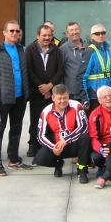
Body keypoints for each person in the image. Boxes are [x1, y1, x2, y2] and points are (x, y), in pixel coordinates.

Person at [0, 20, 33, 175]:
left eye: (17, 31)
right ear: (4, 33)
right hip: (3, 98)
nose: (14, 33)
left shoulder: (21, 49)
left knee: (16, 128)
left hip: (20, 97)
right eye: (11, 31)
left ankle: (13, 159)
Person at [35, 84, 91, 180]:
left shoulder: (76, 105)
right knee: (40, 158)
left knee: (85, 138)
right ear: (53, 98)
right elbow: (40, 136)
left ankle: (82, 170)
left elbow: (84, 127)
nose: (63, 101)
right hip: (57, 146)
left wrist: (66, 140)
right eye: (59, 98)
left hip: (74, 144)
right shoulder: (46, 111)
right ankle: (58, 164)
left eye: (65, 98)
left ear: (68, 96)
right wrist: (53, 148)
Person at [25, 23, 64, 159]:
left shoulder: (56, 50)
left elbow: (60, 70)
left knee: (51, 120)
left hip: (52, 93)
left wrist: (50, 85)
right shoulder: (30, 49)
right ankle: (33, 145)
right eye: (44, 35)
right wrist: (42, 87)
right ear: (38, 36)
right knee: (36, 120)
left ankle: (49, 145)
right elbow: (29, 70)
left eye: (49, 35)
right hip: (36, 92)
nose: (47, 38)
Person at [82, 23, 111, 111]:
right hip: (94, 94)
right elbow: (82, 77)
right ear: (92, 36)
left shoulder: (106, 50)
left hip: (108, 92)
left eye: (103, 33)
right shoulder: (89, 51)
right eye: (97, 33)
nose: (100, 35)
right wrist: (85, 98)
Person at [59, 22, 88, 104]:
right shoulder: (62, 49)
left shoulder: (88, 47)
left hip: (88, 91)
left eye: (76, 29)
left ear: (80, 31)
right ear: (67, 34)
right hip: (72, 93)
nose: (74, 32)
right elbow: (60, 72)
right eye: (71, 30)